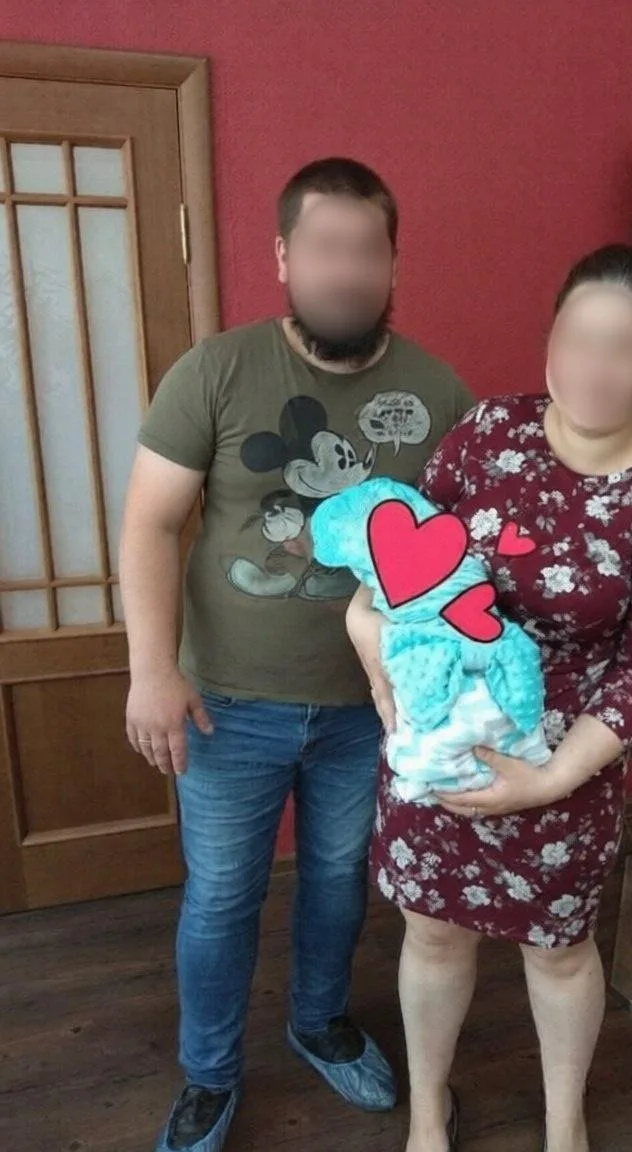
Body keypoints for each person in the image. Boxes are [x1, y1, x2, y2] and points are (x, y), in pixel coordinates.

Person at [119, 157, 474, 1152]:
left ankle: (319, 1021)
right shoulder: (217, 371)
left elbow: (459, 553)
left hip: (370, 708)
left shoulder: (438, 391)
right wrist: (152, 668)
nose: (344, 269)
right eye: (324, 247)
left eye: (365, 249)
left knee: (336, 879)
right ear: (284, 256)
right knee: (222, 896)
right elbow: (149, 523)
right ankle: (209, 1074)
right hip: (227, 705)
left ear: (392, 262)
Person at [346, 244, 632, 1152]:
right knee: (432, 936)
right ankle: (428, 1111)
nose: (595, 367)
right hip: (439, 744)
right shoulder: (488, 434)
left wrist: (550, 778)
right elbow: (403, 559)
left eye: (622, 347)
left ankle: (566, 1126)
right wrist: (367, 635)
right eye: (577, 339)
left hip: (565, 768)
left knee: (557, 954)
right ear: (551, 339)